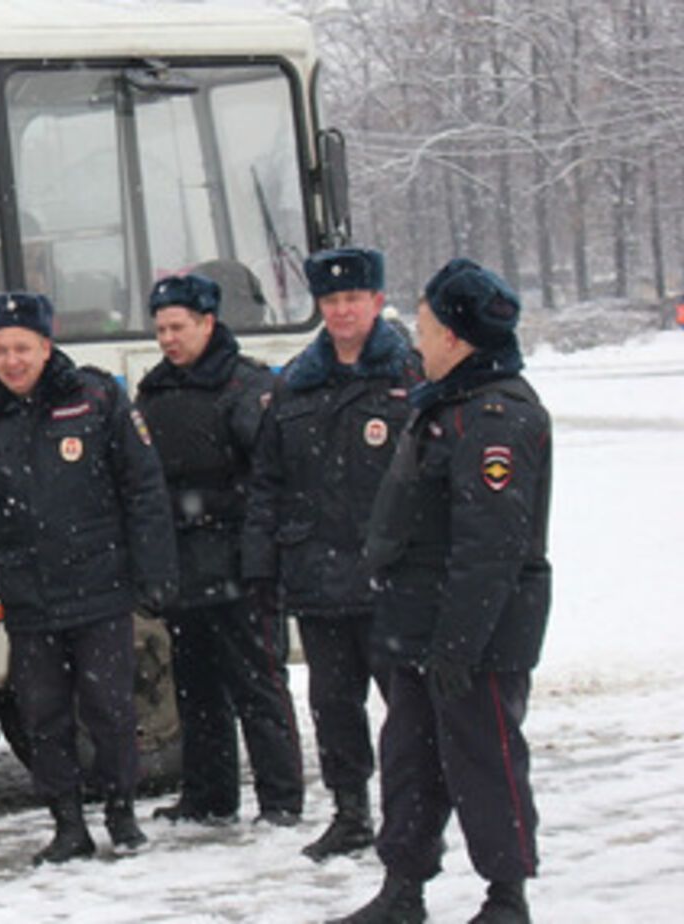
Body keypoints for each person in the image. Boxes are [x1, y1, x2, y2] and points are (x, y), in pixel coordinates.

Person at [333, 260, 550, 924]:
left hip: (472, 636)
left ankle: (505, 897)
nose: (415, 341)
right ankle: (404, 888)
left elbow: (490, 550)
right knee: (409, 764)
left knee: (485, 764)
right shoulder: (445, 405)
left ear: (456, 338)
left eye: (424, 328)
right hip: (417, 623)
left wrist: (460, 643)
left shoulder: (494, 416)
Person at [0, 291, 179, 865]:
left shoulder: (97, 400)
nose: (12, 360)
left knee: (109, 711)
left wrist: (156, 572)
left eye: (22, 347)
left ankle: (121, 815)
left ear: (47, 346)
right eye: (1, 350)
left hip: (100, 590)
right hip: (28, 598)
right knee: (43, 719)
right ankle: (68, 824)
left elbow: (143, 492)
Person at [242, 247, 422, 862]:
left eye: (354, 299)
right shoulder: (296, 381)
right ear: (319, 306)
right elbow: (267, 480)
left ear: (376, 301)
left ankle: (418, 811)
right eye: (332, 301)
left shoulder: (411, 374)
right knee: (333, 706)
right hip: (316, 574)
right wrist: (261, 563)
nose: (343, 311)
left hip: (391, 578)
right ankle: (351, 813)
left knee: (408, 706)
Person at [134, 274, 305, 828]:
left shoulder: (246, 386)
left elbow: (270, 480)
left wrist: (259, 558)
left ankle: (280, 799)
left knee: (257, 684)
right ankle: (208, 796)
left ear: (208, 323)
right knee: (195, 687)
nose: (167, 339)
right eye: (160, 329)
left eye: (177, 327)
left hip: (237, 560)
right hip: (184, 563)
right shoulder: (155, 390)